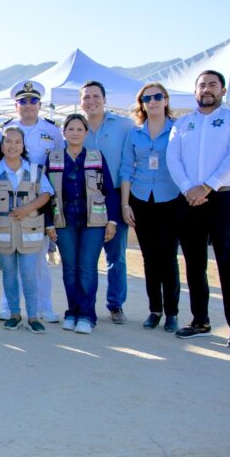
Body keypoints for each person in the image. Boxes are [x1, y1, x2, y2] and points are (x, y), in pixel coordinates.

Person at [166, 70, 230, 348]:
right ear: (195, 91)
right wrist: (188, 188)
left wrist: (207, 186)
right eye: (201, 85)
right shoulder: (183, 123)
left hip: (222, 198)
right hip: (189, 199)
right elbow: (173, 158)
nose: (206, 89)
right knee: (194, 264)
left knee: (229, 262)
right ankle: (200, 321)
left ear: (222, 91)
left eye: (212, 85)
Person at [0, 80, 63, 323]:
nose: (28, 105)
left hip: (39, 201)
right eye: (23, 101)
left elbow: (57, 164)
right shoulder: (4, 129)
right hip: (7, 203)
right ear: (16, 105)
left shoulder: (52, 131)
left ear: (40, 104)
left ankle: (44, 307)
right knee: (9, 263)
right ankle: (8, 307)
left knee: (37, 260)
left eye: (33, 100)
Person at [47, 114, 119, 334]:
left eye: (80, 129)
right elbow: (45, 193)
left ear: (86, 133)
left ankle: (87, 315)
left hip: (93, 222)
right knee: (70, 269)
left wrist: (112, 221)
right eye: (71, 129)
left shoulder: (96, 157)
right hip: (64, 220)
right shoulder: (53, 158)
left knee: (87, 268)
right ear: (64, 132)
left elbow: (109, 190)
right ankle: (72, 312)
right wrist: (48, 223)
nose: (75, 133)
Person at [120, 83, 182, 332]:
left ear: (166, 100)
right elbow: (126, 168)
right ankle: (155, 309)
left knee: (168, 258)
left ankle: (172, 312)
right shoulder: (134, 133)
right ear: (142, 104)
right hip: (141, 198)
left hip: (170, 198)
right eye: (147, 98)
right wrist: (125, 204)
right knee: (149, 258)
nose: (153, 101)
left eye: (157, 97)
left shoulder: (177, 129)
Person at [80, 81, 135, 325]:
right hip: (84, 199)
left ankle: (116, 305)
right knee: (87, 259)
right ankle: (85, 306)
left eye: (95, 96)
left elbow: (127, 166)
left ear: (104, 99)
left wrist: (124, 204)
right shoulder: (74, 127)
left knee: (116, 257)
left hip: (114, 196)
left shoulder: (124, 125)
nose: (91, 101)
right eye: (86, 97)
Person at [0, 127, 54, 333]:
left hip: (30, 231)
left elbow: (47, 193)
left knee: (29, 274)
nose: (13, 146)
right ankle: (14, 314)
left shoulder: (35, 170)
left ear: (23, 145)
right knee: (9, 274)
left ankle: (33, 316)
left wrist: (28, 208)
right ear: (1, 145)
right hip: (3, 232)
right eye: (8, 141)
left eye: (17, 142)